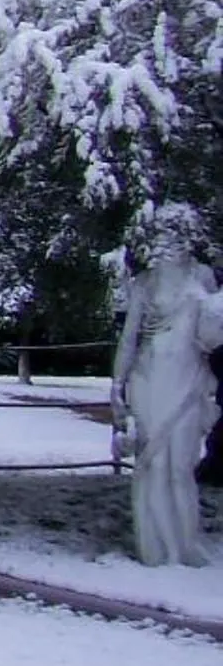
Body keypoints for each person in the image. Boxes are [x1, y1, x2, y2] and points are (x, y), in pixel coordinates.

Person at [110, 210, 223, 567]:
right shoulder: (144, 283)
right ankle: (157, 551)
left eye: (179, 233)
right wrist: (117, 385)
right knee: (154, 465)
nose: (173, 241)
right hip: (150, 380)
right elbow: (129, 341)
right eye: (166, 234)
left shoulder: (203, 277)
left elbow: (214, 329)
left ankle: (184, 546)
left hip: (188, 380)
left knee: (181, 468)